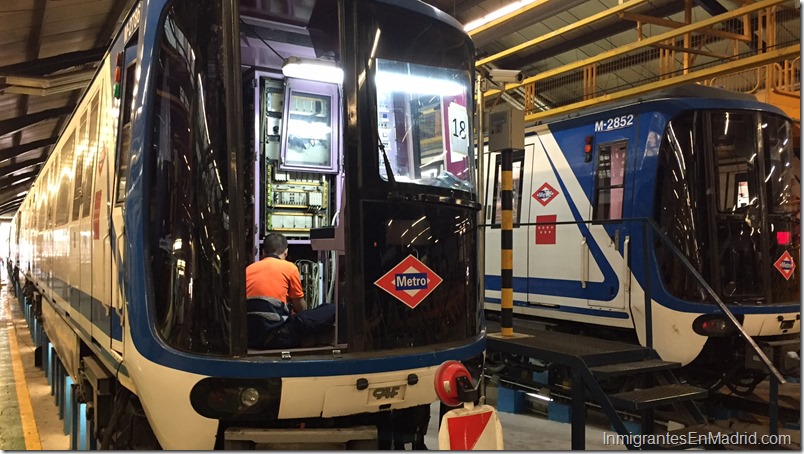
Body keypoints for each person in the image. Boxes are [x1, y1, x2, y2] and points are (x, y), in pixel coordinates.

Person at [246, 232, 335, 349]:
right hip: (279, 335)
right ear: (286, 252)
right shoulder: (289, 267)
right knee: (331, 308)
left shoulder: (248, 269)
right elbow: (300, 307)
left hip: (252, 337)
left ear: (263, 252)